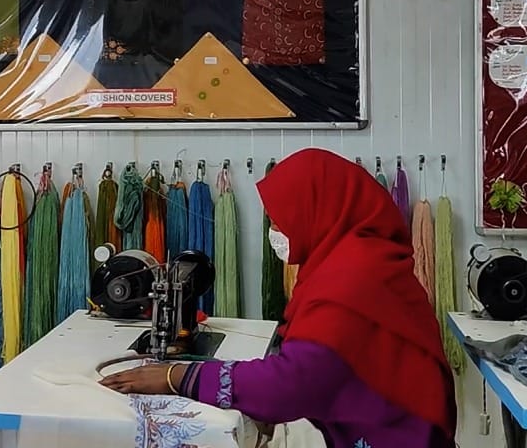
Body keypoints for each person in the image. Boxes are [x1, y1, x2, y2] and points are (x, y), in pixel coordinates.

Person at [100, 148, 457, 448]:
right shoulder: (360, 259)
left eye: (282, 220)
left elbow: (291, 384)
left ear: (318, 211)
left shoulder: (351, 280)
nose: (276, 232)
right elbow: (325, 373)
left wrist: (178, 377)